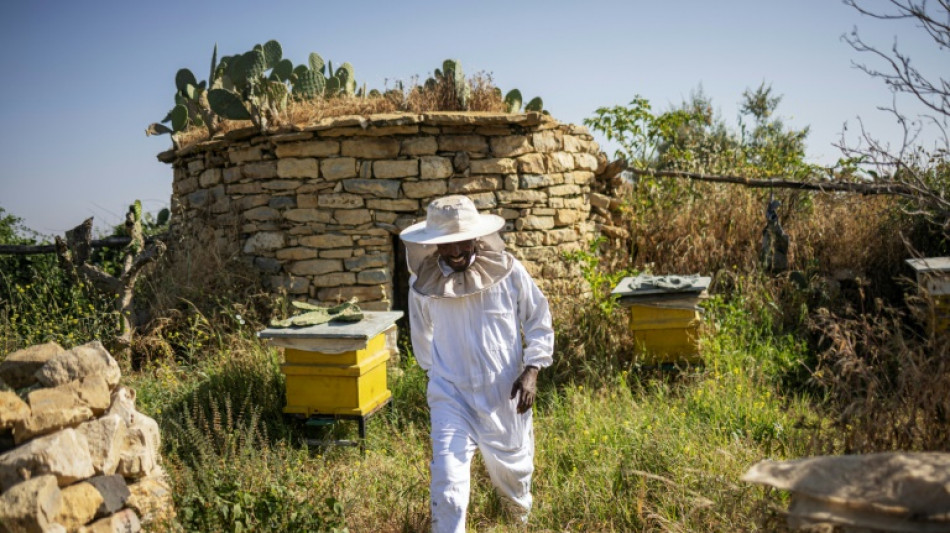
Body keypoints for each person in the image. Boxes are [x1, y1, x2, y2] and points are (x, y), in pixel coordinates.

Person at [400, 195, 555, 532]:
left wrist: (532, 369)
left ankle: (519, 526)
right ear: (434, 245)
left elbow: (538, 318)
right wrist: (443, 377)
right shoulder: (422, 286)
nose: (455, 251)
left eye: (462, 241)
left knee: (514, 486)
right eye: (446, 244)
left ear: (476, 237)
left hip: (504, 394)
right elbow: (422, 342)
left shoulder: (509, 271)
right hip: (451, 397)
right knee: (449, 489)